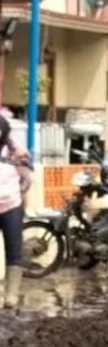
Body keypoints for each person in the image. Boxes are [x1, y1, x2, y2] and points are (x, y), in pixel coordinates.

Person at [0, 116, 33, 309]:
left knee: (14, 251)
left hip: (11, 207)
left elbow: (28, 178)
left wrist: (18, 193)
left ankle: (11, 295)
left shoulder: (16, 153)